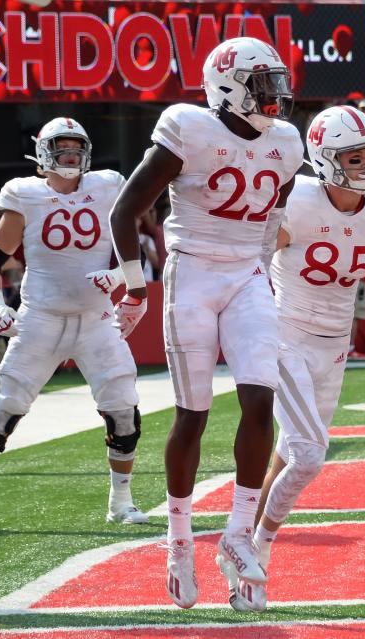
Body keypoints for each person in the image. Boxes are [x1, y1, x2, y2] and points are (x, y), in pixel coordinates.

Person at [108, 37, 303, 610]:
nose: (275, 98)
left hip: (245, 275)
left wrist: (263, 274)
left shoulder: (286, 143)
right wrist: (134, 281)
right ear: (229, 85)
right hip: (191, 272)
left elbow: (273, 217)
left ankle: (238, 533)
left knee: (260, 401)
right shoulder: (188, 127)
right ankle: (179, 544)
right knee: (193, 415)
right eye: (263, 85)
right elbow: (127, 208)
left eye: (275, 84)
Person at [0, 117, 151, 536]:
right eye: (61, 148)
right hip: (41, 317)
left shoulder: (107, 186)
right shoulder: (25, 195)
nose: (70, 156)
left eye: (76, 148)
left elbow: (134, 251)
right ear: (43, 154)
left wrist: (120, 278)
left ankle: (121, 501)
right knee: (3, 410)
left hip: (95, 319)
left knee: (123, 409)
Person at [247, 105, 365, 611]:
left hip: (333, 342)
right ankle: (257, 551)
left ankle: (248, 546)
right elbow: (254, 262)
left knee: (292, 453)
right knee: (308, 454)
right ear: (324, 160)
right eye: (355, 155)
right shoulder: (296, 202)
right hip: (283, 332)